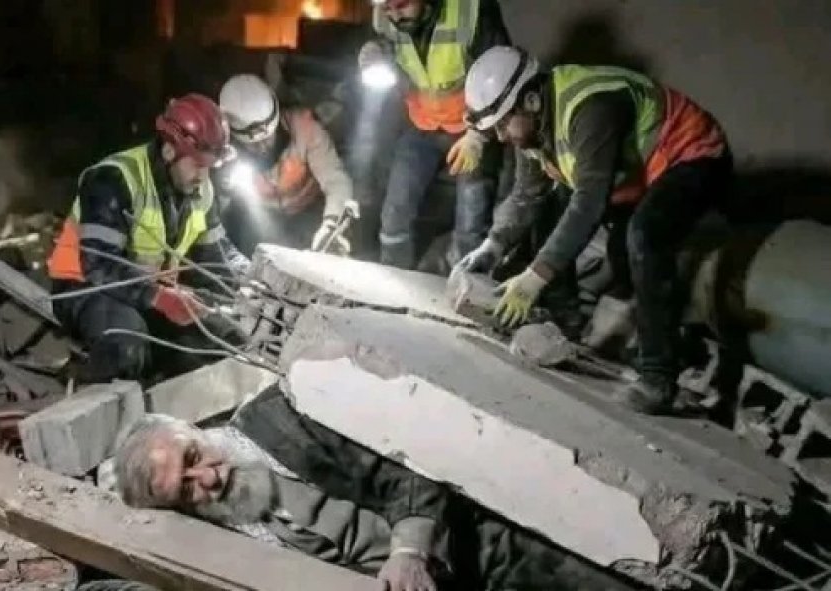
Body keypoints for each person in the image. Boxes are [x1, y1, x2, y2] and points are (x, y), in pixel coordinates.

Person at [103, 386, 635, 590]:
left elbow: (406, 465)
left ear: (194, 430)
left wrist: (409, 553)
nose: (209, 479)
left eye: (194, 458)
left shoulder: (284, 418)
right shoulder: (217, 536)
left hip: (476, 544)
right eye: (186, 491)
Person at [455, 46, 731, 414]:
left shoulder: (591, 108)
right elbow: (528, 195)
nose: (502, 137)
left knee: (645, 236)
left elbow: (589, 202)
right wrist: (493, 245)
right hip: (638, 172)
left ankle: (658, 377)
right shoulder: (530, 124)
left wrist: (534, 278)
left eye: (503, 125)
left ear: (531, 100)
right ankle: (565, 320)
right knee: (565, 216)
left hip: (692, 154)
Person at [46, 94, 250, 384]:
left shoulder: (199, 190)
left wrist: (253, 280)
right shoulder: (113, 179)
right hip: (83, 288)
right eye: (197, 164)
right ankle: (82, 388)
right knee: (127, 346)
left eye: (209, 166)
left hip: (147, 292)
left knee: (225, 337)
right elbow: (97, 264)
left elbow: (219, 255)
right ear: (169, 151)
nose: (203, 176)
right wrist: (158, 297)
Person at [358, 0, 510, 270]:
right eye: (387, 9)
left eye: (401, 5)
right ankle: (390, 277)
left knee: (470, 224)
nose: (395, 16)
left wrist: (478, 135)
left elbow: (501, 74)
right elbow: (388, 49)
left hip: (470, 128)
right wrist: (375, 54)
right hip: (424, 123)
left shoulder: (472, 10)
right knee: (394, 214)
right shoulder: (385, 17)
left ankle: (465, 286)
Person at [217, 74, 357, 255]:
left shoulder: (306, 129)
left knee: (324, 252)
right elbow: (219, 209)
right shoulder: (226, 155)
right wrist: (224, 189)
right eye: (253, 144)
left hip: (308, 212)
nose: (263, 147)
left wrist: (331, 223)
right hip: (261, 218)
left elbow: (335, 180)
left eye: (268, 138)